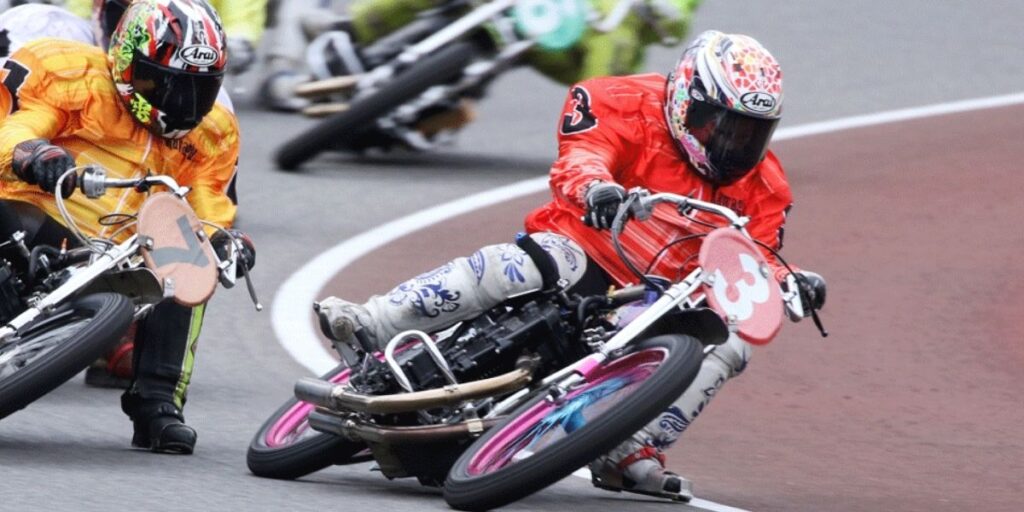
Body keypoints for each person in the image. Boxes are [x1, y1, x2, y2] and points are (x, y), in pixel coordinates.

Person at [315, 30, 826, 500]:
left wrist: (789, 284)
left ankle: (629, 449)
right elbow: (581, 156)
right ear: (684, 97)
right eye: (717, 123)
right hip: (582, 254)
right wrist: (598, 188)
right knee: (530, 262)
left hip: (659, 298)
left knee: (733, 341)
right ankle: (375, 321)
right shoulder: (617, 100)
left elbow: (757, 256)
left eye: (748, 132)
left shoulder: (767, 184)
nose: (729, 142)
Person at [0, 0, 247, 454]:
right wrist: (34, 154)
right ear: (128, 61)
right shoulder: (68, 72)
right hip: (35, 214)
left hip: (126, 250)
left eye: (200, 89)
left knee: (196, 261)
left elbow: (213, 203)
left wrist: (222, 241)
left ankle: (158, 404)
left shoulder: (216, 131)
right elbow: (14, 129)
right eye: (165, 83)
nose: (182, 103)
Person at [257, 0, 702, 111]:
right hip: (539, 7)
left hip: (592, 34)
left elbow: (679, 16)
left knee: (613, 52)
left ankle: (590, 143)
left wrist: (663, 10)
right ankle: (351, 26)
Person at [64, 0, 267, 76]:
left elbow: (243, 17)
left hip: (185, 59)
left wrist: (237, 41)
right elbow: (78, 16)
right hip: (104, 55)